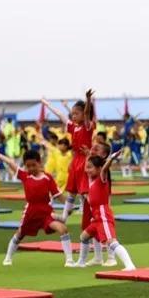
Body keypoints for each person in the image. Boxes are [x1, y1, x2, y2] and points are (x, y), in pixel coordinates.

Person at [0, 147, 74, 267]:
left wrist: (69, 205)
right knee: (19, 234)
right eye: (28, 166)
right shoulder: (25, 176)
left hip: (46, 213)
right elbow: (10, 162)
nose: (31, 168)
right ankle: (8, 258)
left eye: (33, 165)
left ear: (39, 163)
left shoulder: (48, 178)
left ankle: (69, 260)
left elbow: (58, 195)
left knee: (63, 229)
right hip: (30, 213)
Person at [74, 147, 136, 270]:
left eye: (90, 167)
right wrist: (88, 155)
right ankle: (81, 262)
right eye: (87, 167)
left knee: (111, 242)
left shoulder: (101, 178)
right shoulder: (91, 180)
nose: (87, 170)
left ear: (98, 168)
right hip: (96, 218)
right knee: (84, 237)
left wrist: (111, 158)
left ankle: (130, 265)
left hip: (103, 216)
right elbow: (91, 166)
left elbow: (104, 169)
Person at [42, 91, 95, 223]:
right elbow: (60, 115)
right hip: (75, 161)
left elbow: (87, 113)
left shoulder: (87, 126)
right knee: (71, 192)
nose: (73, 116)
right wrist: (47, 104)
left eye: (77, 113)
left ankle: (96, 215)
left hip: (85, 161)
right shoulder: (73, 127)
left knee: (85, 192)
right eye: (73, 114)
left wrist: (88, 99)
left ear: (84, 114)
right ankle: (64, 217)